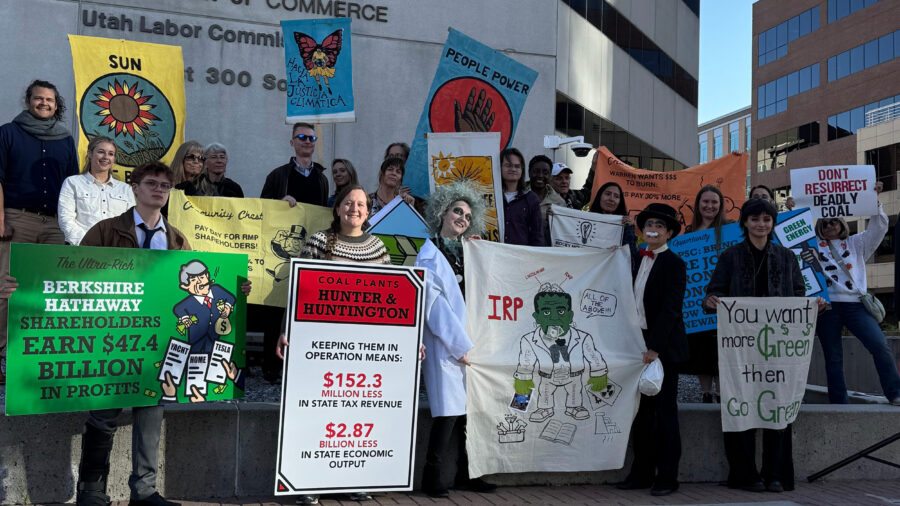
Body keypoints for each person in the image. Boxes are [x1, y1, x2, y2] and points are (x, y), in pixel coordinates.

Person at [74, 161, 250, 506]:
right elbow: (73, 275)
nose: (158, 190)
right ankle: (92, 491)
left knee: (151, 418)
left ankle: (144, 491)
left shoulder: (177, 240)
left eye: (165, 186)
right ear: (135, 188)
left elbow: (199, 294)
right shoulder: (106, 231)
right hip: (113, 340)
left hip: (156, 346)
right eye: (151, 183)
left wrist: (236, 286)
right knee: (103, 414)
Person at [277, 184, 388, 504]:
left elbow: (389, 298)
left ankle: (351, 479)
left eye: (362, 204)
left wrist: (407, 343)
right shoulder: (319, 242)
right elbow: (299, 291)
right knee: (317, 411)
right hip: (320, 345)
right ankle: (307, 483)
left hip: (362, 348)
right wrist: (286, 330)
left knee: (354, 415)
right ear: (338, 208)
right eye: (349, 203)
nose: (355, 209)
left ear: (368, 212)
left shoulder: (378, 248)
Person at [703, 198, 822, 493]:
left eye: (767, 219)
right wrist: (711, 301)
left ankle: (776, 475)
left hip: (778, 347)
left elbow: (798, 295)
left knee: (778, 406)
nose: (761, 224)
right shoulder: (730, 256)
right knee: (740, 405)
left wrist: (813, 305)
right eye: (755, 219)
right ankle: (745, 475)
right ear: (744, 223)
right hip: (740, 349)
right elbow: (713, 293)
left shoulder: (785, 257)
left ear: (773, 223)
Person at [416, 182, 495, 498]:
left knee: (471, 416)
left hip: (475, 342)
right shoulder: (428, 255)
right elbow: (433, 306)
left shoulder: (470, 251)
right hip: (446, 346)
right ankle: (432, 478)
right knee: (447, 414)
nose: (462, 217)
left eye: (466, 213)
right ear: (442, 213)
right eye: (456, 211)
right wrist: (459, 346)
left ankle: (468, 474)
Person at [0, 79, 78, 384]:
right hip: (18, 219)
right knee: (7, 288)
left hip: (55, 224)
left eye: (50, 100)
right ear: (28, 100)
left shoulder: (65, 140)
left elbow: (72, 186)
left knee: (51, 290)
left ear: (57, 105)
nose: (44, 103)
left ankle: (38, 353)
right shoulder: (8, 133)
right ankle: (3, 351)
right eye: (38, 98)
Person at [617, 203, 688, 497]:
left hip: (662, 347)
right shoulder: (634, 259)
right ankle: (641, 472)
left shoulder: (675, 264)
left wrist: (655, 348)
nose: (654, 229)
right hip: (635, 343)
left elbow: (671, 310)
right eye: (650, 224)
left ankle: (667, 476)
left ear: (669, 232)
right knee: (641, 414)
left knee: (664, 413)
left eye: (660, 225)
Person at [813, 181, 900, 405]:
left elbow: (879, 227)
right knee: (833, 358)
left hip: (856, 305)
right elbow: (789, 237)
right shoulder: (812, 246)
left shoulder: (857, 242)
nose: (830, 226)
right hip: (827, 306)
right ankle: (839, 403)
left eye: (834, 221)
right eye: (825, 223)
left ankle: (895, 393)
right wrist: (792, 209)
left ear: (842, 224)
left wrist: (874, 201)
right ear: (819, 228)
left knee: (879, 346)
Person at [683, 185, 734, 404]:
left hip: (724, 298)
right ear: (698, 204)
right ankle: (706, 393)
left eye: (714, 202)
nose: (710, 206)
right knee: (701, 348)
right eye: (705, 202)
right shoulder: (688, 232)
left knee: (723, 348)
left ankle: (723, 393)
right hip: (696, 302)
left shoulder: (732, 228)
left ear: (721, 205)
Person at [58, 136, 135, 245]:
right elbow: (66, 219)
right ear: (90, 154)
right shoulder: (72, 183)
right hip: (81, 249)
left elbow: (130, 223)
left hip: (116, 251)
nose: (106, 157)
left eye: (111, 154)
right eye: (101, 152)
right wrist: (87, 243)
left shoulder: (125, 189)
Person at [423, 182, 485, 292]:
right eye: (458, 211)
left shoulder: (468, 250)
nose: (463, 219)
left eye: (468, 217)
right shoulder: (428, 249)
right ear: (443, 212)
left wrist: (479, 252)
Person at [261, 122, 328, 208]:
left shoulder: (322, 179)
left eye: (312, 138)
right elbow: (263, 209)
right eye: (302, 137)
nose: (308, 141)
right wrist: (279, 204)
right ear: (292, 142)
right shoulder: (276, 176)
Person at [588, 181, 638, 269]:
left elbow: (631, 256)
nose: (611, 199)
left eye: (616, 196)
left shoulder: (625, 225)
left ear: (620, 202)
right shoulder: (585, 220)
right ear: (599, 196)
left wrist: (630, 229)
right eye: (607, 194)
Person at [500, 148, 543, 246]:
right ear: (500, 167)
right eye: (508, 165)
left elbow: (537, 235)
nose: (513, 169)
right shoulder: (492, 196)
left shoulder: (531, 198)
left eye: (517, 166)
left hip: (521, 257)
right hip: (493, 255)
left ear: (522, 170)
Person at [179, 143, 243, 198]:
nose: (219, 161)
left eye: (222, 157)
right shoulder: (195, 185)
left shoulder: (234, 188)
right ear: (205, 163)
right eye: (214, 157)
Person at [527, 155, 565, 245]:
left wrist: (553, 222)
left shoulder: (559, 203)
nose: (540, 176)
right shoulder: (518, 196)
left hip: (546, 253)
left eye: (545, 172)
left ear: (550, 175)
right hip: (521, 250)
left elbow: (563, 233)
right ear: (529, 173)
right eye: (536, 171)